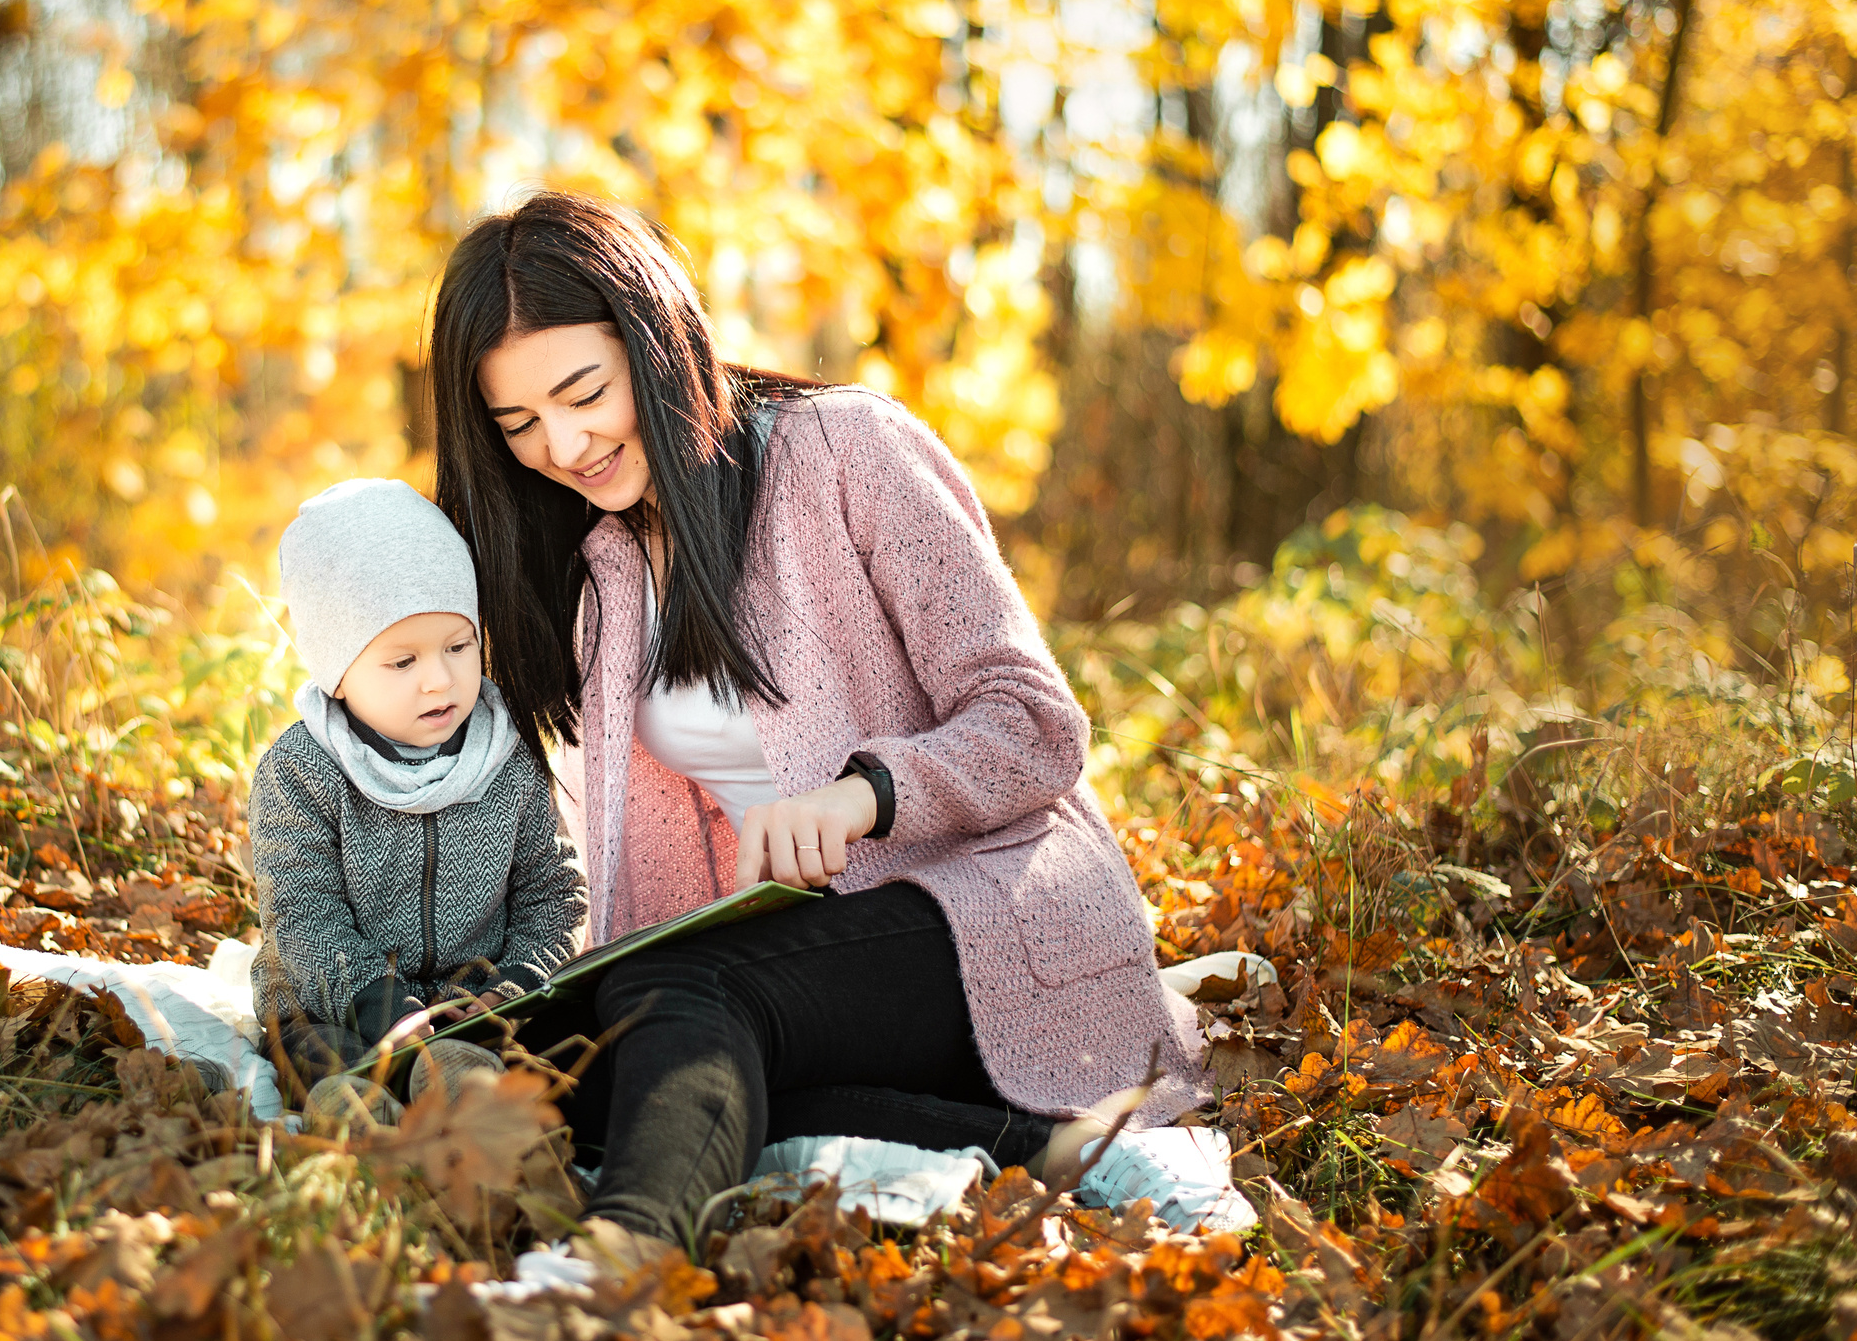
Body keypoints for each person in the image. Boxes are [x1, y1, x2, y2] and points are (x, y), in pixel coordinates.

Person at [428, 192, 1250, 1256]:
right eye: (520, 425)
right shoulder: (605, 575)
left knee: (677, 998)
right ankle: (1043, 1148)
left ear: (656, 340)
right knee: (566, 1060)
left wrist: (861, 796)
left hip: (981, 909)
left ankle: (611, 1267)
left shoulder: (846, 450)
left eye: (584, 392)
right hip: (793, 975)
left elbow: (1035, 721)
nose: (565, 443)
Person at [247, 479, 587, 1122]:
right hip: (333, 1001)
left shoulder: (505, 755)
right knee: (326, 1055)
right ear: (337, 671)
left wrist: (513, 984)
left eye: (458, 647)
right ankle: (357, 1120)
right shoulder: (301, 771)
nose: (439, 678)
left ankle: (467, 1098)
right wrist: (377, 1001)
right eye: (401, 662)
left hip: (476, 1001)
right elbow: (301, 912)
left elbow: (553, 889)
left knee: (535, 1060)